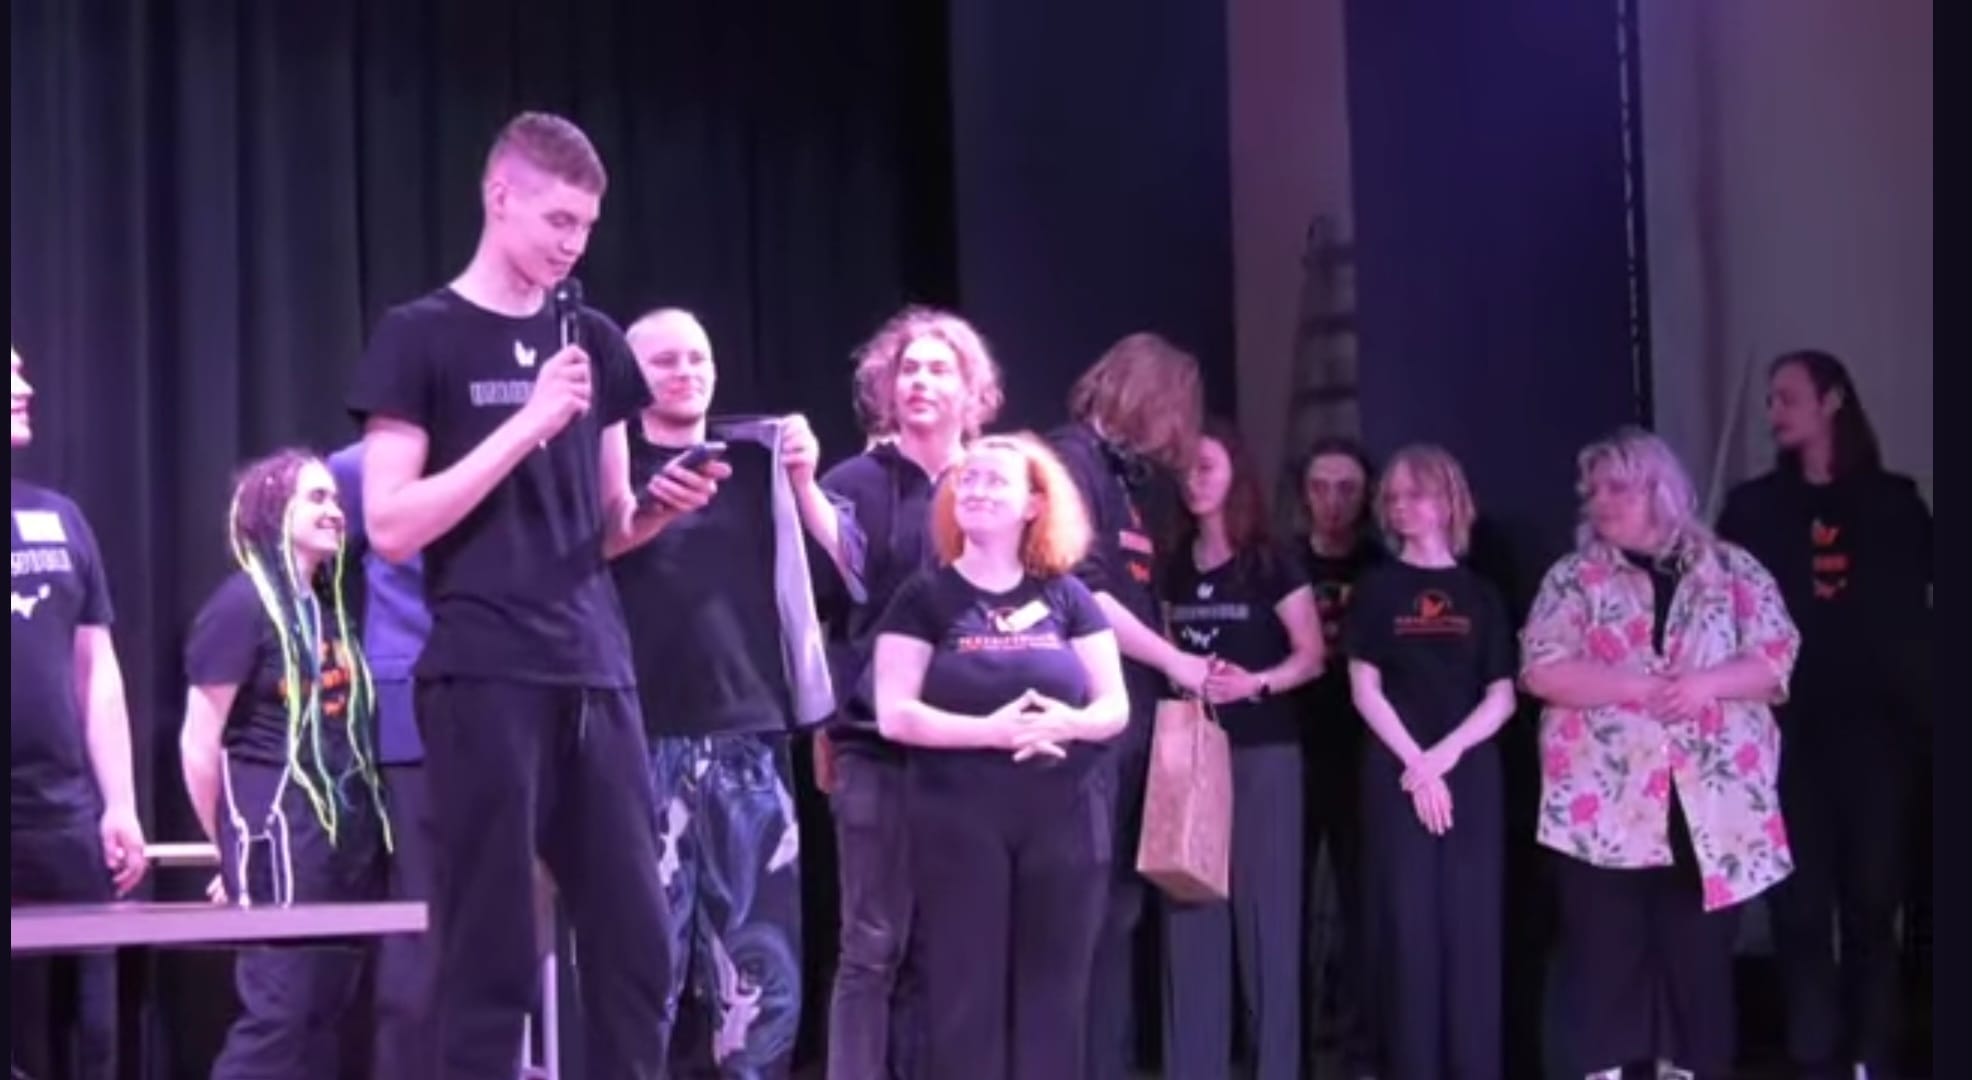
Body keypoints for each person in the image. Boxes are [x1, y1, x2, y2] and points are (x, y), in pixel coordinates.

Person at [346, 111, 722, 1077]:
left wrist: (658, 508)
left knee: (638, 943)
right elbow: (391, 523)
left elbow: (607, 520)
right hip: (483, 671)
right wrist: (527, 421)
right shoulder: (420, 336)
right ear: (499, 196)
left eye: (587, 226)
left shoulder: (591, 338)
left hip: (595, 667)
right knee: (495, 951)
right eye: (558, 220)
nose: (573, 244)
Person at [607, 307, 850, 1076]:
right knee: (641, 970)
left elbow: (855, 564)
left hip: (749, 736)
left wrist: (804, 475)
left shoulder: (758, 458)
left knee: (761, 975)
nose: (687, 371)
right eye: (665, 360)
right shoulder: (608, 469)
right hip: (639, 737)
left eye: (698, 357)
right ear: (630, 376)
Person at [1522, 427, 1799, 1080]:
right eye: (1592, 490)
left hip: (1709, 807)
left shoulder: (1730, 570)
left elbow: (1775, 659)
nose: (1599, 501)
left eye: (1616, 487)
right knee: (1604, 963)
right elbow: (1542, 669)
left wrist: (1705, 684)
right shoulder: (1573, 579)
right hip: (1602, 809)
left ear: (1660, 490)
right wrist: (1639, 688)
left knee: (1695, 967)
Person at [872, 433, 1130, 1080]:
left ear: (1033, 505)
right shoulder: (923, 598)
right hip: (959, 819)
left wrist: (1069, 722)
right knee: (966, 998)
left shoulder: (1067, 596)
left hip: (1065, 819)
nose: (977, 490)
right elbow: (895, 713)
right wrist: (991, 731)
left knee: (1056, 1001)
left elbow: (1114, 707)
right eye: (969, 479)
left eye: (995, 481)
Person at [1718, 352, 1931, 1080]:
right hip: (1788, 740)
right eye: (1769, 399)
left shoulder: (1896, 505)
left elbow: (1914, 622)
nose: (1773, 412)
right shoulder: (1751, 510)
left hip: (1877, 740)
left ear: (1833, 401)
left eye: (1788, 397)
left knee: (1873, 908)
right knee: (1800, 914)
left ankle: (1873, 1058)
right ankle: (1814, 1059)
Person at [814, 306, 1004, 1080]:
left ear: (971, 390)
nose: (921, 382)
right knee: (871, 946)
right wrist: (824, 723)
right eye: (908, 369)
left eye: (938, 369)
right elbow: (820, 612)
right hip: (876, 744)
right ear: (886, 388)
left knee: (951, 945)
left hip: (975, 744)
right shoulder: (850, 484)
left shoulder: (993, 481)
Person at [178, 449, 391, 1078]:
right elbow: (199, 743)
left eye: (337, 499)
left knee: (324, 1020)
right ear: (274, 512)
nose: (335, 511)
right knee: (280, 1019)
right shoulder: (240, 606)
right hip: (278, 844)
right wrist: (231, 851)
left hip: (341, 847)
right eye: (316, 498)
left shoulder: (330, 608)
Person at [1047, 332, 1210, 1080]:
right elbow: (1086, 596)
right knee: (1088, 919)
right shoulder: (1071, 463)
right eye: (1175, 411)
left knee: (1122, 913)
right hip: (1094, 725)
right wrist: (1174, 661)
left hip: (1136, 721)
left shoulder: (1126, 481)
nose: (1177, 432)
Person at [1159, 419, 1326, 1080]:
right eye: (1186, 469)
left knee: (1267, 925)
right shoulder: (1174, 564)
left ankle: (1276, 1068)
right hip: (1191, 753)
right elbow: (1167, 650)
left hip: (1263, 754)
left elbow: (1311, 656)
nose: (1194, 480)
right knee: (1191, 915)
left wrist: (1256, 683)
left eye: (1207, 467)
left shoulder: (1270, 561)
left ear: (1236, 474)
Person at [1346, 444, 1516, 1080]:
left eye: (1415, 494)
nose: (1401, 506)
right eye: (1392, 496)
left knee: (1470, 928)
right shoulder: (1376, 589)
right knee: (1407, 927)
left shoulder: (1481, 594)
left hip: (1467, 774)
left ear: (1448, 502)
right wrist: (1416, 764)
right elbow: (1364, 689)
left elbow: (1502, 697)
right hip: (1396, 771)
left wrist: (1443, 758)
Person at [9, 347, 148, 1080]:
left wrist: (119, 802)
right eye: (6, 371)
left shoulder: (58, 519)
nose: (25, 386)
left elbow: (97, 671)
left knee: (92, 1028)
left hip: (62, 814)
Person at [325, 440, 437, 1078]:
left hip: (510, 698)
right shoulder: (358, 467)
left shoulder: (514, 440)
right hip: (409, 705)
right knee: (420, 920)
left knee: (498, 923)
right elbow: (314, 576)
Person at [1292, 435, 1381, 1079]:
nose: (1333, 501)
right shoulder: (1282, 564)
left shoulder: (1384, 570)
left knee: (1363, 913)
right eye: (1321, 487)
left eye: (1347, 488)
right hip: (1292, 751)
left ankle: (1359, 1053)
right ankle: (1287, 1049)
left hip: (1364, 755)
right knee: (1286, 911)